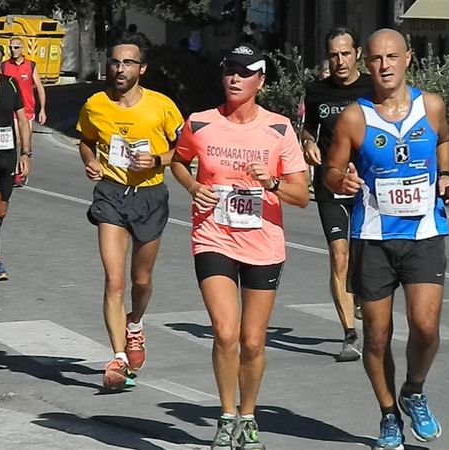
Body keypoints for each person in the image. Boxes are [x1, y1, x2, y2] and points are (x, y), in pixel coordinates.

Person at [324, 29, 449, 450]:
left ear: (408, 59)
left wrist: (447, 175)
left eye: (392, 57)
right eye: (377, 59)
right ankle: (388, 416)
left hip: (423, 233)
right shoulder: (354, 117)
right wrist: (342, 181)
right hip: (373, 237)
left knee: (425, 327)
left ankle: (414, 390)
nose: (384, 66)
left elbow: (444, 143)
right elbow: (330, 172)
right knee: (377, 337)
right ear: (368, 64)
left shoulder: (431, 105)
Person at [170, 43, 309, 450]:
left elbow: (301, 195)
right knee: (225, 331)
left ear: (260, 81)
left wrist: (271, 183)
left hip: (263, 242)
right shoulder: (199, 123)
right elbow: (176, 160)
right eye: (229, 69)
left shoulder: (280, 129)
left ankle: (249, 415)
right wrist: (195, 187)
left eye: (245, 72)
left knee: (252, 340)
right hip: (213, 235)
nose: (234, 78)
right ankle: (226, 415)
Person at [76, 32, 184, 390]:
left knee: (141, 280)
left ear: (142, 68)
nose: (120, 69)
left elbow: (186, 150)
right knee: (114, 279)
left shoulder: (162, 106)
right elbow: (86, 140)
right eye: (115, 62)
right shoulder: (95, 104)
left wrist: (156, 158)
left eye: (128, 63)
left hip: (150, 196)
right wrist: (91, 161)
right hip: (110, 195)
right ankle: (119, 357)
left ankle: (134, 323)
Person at [302, 27, 373, 362]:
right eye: (334, 54)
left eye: (346, 53)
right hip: (330, 183)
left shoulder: (373, 88)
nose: (340, 61)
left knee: (365, 258)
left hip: (368, 185)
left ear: (357, 53)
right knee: (339, 257)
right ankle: (350, 334)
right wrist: (309, 143)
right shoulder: (317, 90)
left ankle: (360, 295)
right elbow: (308, 128)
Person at [0, 42, 31, 281]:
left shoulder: (11, 84)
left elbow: (22, 121)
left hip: (8, 157)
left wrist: (26, 154)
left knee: (1, 212)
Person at [2, 37, 47, 187]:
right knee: (17, 140)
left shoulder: (30, 65)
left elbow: (39, 87)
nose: (13, 50)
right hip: (12, 110)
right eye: (11, 47)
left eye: (16, 47)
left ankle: (23, 170)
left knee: (26, 142)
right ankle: (15, 172)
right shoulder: (5, 66)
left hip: (27, 110)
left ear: (22, 49)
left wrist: (42, 110)